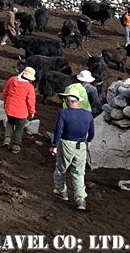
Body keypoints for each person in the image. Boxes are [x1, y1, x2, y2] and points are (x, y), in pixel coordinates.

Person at [51, 83, 95, 211]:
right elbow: (92, 132)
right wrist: (89, 141)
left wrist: (54, 145)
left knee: (61, 169)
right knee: (79, 172)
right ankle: (80, 199)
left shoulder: (63, 113)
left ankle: (61, 192)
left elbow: (58, 130)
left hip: (66, 144)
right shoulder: (88, 114)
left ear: (67, 100)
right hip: (81, 145)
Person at [2, 66, 36, 153]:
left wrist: (5, 102)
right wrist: (32, 112)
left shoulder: (12, 80)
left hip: (10, 107)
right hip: (21, 111)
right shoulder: (29, 87)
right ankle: (16, 145)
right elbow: (30, 101)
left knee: (10, 122)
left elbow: (5, 92)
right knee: (19, 127)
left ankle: (7, 138)